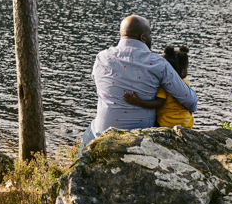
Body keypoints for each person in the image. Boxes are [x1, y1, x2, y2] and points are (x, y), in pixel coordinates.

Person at [78, 15, 198, 155]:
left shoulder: (101, 58)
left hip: (102, 134)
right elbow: (190, 101)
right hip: (140, 138)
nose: (151, 37)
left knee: (91, 130)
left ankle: (81, 163)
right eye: (150, 33)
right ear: (143, 37)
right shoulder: (158, 63)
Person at [124, 45, 195, 129]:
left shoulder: (164, 85)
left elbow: (159, 103)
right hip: (186, 123)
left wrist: (138, 102)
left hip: (168, 124)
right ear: (183, 71)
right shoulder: (185, 84)